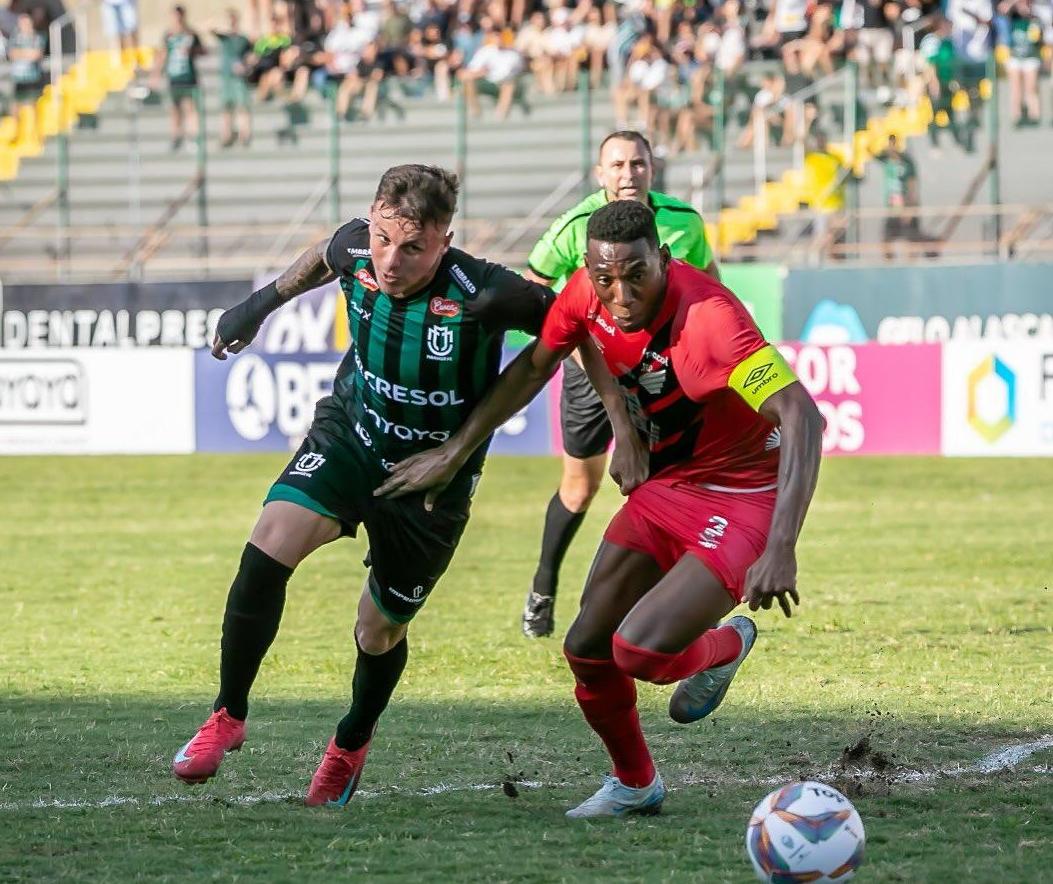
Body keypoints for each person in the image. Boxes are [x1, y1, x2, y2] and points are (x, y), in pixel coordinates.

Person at [375, 199, 824, 818]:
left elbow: (802, 415)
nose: (620, 292)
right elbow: (539, 366)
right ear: (589, 266)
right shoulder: (587, 293)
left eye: (636, 274)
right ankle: (636, 783)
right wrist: (456, 452)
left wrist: (781, 545)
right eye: (605, 276)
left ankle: (726, 644)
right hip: (669, 486)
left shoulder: (712, 321)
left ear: (663, 259)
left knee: (638, 652)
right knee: (587, 647)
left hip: (744, 497)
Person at [169, 165, 554, 806]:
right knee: (268, 545)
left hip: (433, 481)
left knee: (377, 630)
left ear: (444, 239)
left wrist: (458, 449)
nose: (389, 259)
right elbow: (324, 258)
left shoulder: (487, 289)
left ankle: (350, 743)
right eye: (380, 239)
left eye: (412, 248)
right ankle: (227, 716)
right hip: (354, 433)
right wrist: (259, 305)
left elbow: (562, 339)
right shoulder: (358, 248)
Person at [519, 130, 717, 639]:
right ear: (600, 174)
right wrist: (574, 339)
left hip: (660, 370)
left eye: (637, 164)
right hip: (593, 372)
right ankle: (543, 586)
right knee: (579, 488)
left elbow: (712, 286)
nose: (628, 174)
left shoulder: (684, 223)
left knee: (668, 484)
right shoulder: (574, 227)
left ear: (653, 169)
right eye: (617, 165)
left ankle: (660, 607)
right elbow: (535, 286)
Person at [152, 5, 204, 152]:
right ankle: (176, 136)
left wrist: (191, 51)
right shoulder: (168, 34)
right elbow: (162, 55)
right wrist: (155, 75)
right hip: (173, 77)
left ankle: (193, 137)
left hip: (189, 77)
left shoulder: (191, 33)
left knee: (190, 107)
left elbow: (202, 50)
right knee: (174, 109)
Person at [213, 7, 253, 148]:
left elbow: (251, 57)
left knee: (243, 106)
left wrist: (244, 66)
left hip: (238, 78)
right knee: (226, 107)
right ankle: (226, 135)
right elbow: (210, 28)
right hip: (226, 78)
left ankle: (245, 135)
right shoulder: (224, 38)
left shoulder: (243, 39)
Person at [8, 13, 46, 113]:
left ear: (30, 23)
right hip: (18, 79)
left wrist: (20, 53)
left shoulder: (37, 37)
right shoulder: (14, 38)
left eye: (25, 23)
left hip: (33, 78)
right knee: (16, 108)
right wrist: (27, 52)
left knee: (34, 107)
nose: (23, 25)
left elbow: (37, 54)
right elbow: (12, 54)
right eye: (21, 23)